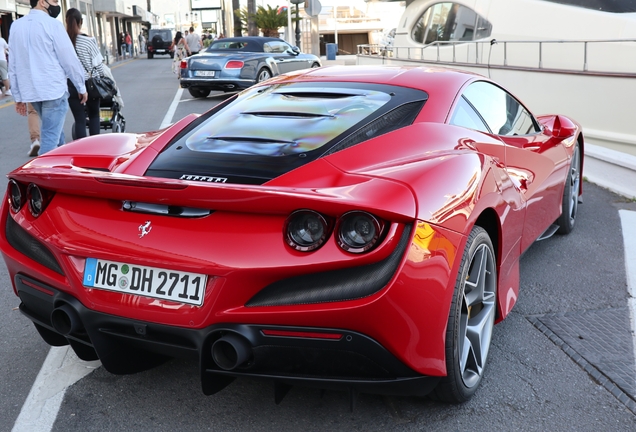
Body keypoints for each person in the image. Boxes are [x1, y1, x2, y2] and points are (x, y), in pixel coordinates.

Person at [8, 0, 87, 156]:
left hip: (31, 91)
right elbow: (69, 59)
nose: (57, 4)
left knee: (56, 135)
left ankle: (61, 169)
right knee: (51, 138)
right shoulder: (53, 25)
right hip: (53, 89)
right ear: (42, 2)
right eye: (54, 1)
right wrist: (81, 86)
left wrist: (17, 95)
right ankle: (42, 175)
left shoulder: (16, 26)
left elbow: (14, 63)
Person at [66, 8, 103, 139]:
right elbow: (98, 65)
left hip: (71, 84)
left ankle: (82, 148)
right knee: (94, 115)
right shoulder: (89, 40)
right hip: (90, 83)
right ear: (81, 22)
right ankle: (94, 146)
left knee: (79, 119)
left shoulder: (64, 41)